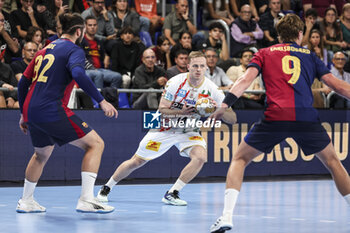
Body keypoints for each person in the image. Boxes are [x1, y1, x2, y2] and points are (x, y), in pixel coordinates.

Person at [209, 14, 350, 233]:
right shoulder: (311, 56)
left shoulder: (264, 53)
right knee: (333, 162)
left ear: (278, 35)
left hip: (275, 116)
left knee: (239, 159)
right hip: (305, 117)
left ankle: (226, 216)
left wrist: (225, 105)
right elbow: (338, 86)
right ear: (300, 34)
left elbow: (244, 80)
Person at [96, 51, 237, 205]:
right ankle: (106, 187)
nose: (198, 69)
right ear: (188, 66)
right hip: (163, 127)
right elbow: (162, 109)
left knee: (200, 157)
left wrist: (219, 109)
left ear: (205, 68)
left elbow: (233, 119)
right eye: (195, 66)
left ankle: (172, 193)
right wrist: (181, 111)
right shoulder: (175, 82)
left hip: (188, 130)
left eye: (202, 66)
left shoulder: (212, 89)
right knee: (137, 161)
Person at [16, 13, 118, 214]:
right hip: (51, 108)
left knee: (41, 153)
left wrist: (23, 113)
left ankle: (26, 201)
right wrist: (101, 100)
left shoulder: (43, 50)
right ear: (79, 31)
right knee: (95, 144)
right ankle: (87, 199)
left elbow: (22, 83)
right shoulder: (74, 50)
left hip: (31, 109)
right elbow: (79, 74)